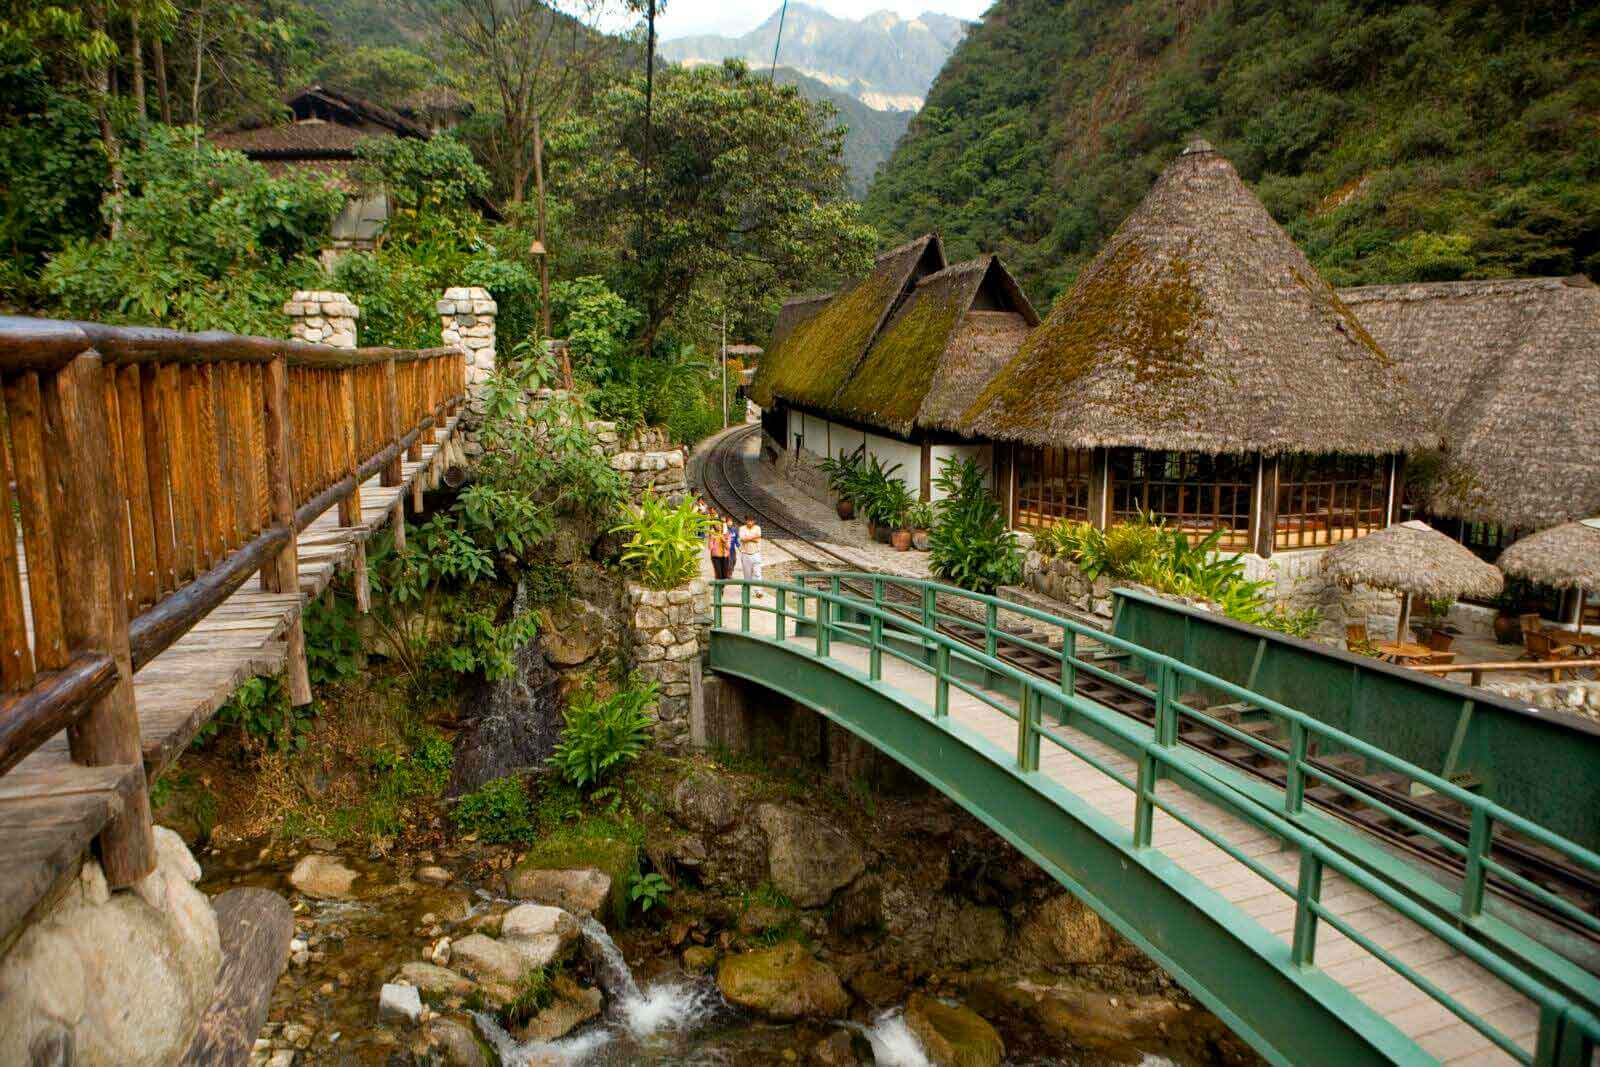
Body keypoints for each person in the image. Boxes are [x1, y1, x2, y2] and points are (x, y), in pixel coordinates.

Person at [738, 514, 764, 592]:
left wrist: (748, 538)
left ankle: (758, 591)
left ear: (754, 521)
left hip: (756, 553)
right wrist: (753, 537)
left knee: (757, 573)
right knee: (747, 575)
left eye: (751, 521)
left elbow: (758, 539)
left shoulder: (757, 528)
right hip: (745, 554)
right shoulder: (742, 528)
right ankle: (747, 590)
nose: (750, 522)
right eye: (748, 520)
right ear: (746, 521)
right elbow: (742, 539)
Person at [707, 511, 731, 579]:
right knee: (718, 574)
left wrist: (724, 541)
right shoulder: (712, 534)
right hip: (715, 556)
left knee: (724, 576)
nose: (718, 526)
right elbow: (710, 548)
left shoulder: (727, 534)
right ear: (714, 526)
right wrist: (712, 539)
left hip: (725, 556)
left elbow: (728, 547)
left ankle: (721, 588)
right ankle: (718, 588)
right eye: (716, 524)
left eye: (720, 524)